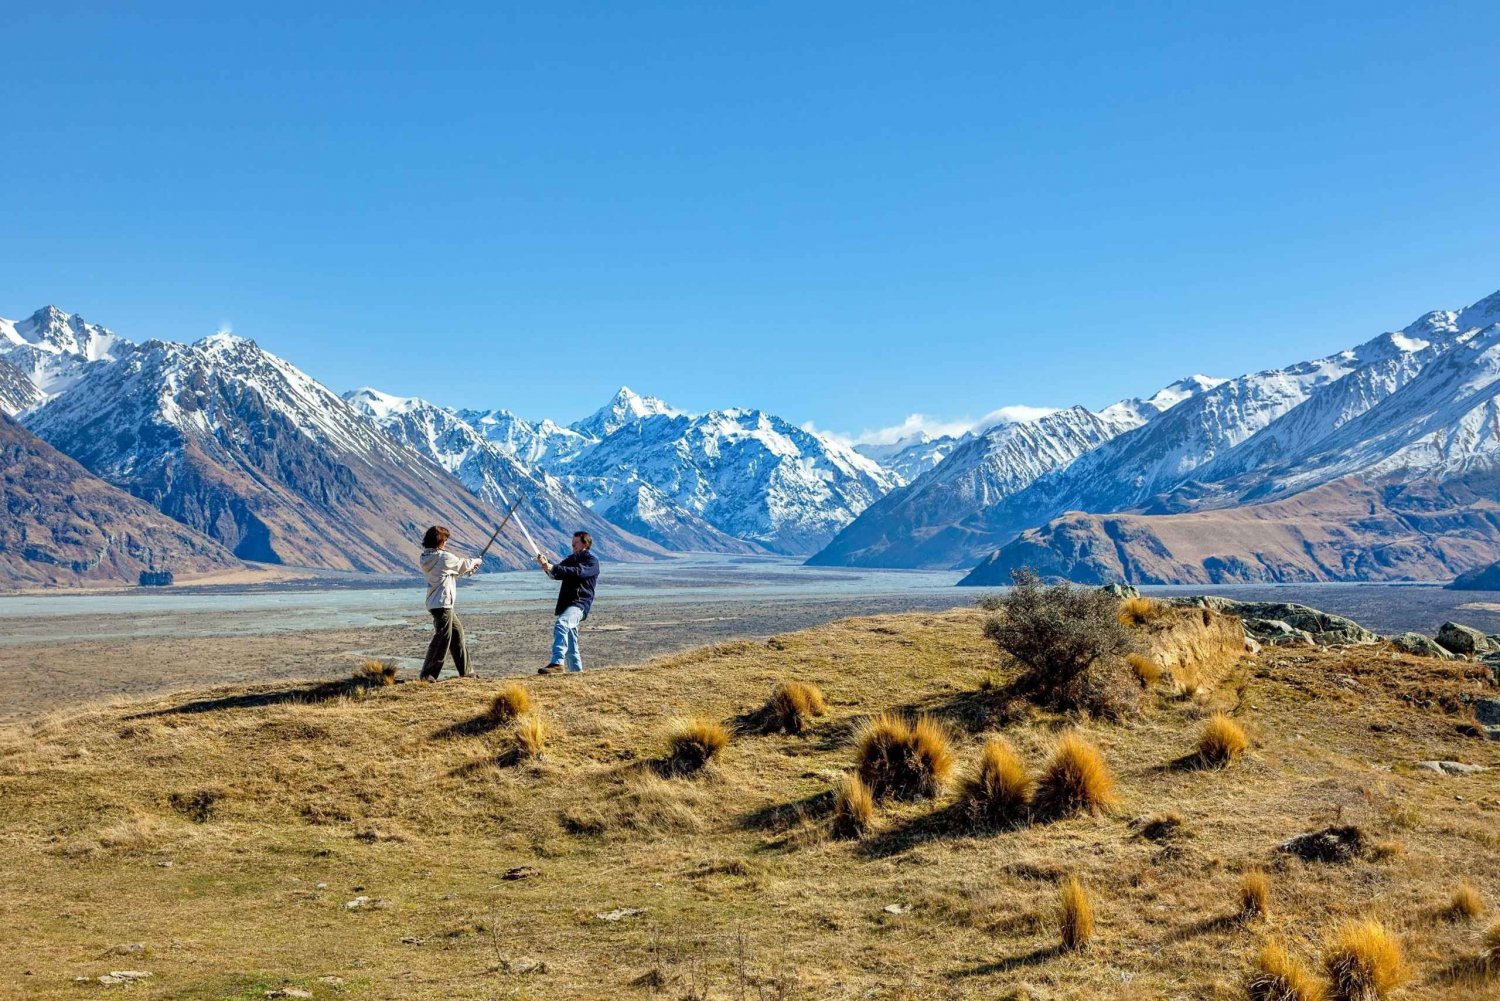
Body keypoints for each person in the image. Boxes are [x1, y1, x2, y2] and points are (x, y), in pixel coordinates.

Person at [419, 525, 481, 681]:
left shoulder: (427, 557)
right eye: (445, 540)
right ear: (440, 541)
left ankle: (466, 672)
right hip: (443, 604)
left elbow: (451, 572)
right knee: (442, 638)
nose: (446, 543)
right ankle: (428, 675)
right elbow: (462, 565)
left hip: (436, 603)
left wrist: (469, 567)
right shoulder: (443, 558)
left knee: (456, 633)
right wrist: (476, 561)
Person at [536, 531, 599, 674]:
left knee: (562, 623)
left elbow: (578, 572)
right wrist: (546, 566)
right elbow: (556, 574)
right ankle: (577, 674)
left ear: (585, 544)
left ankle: (557, 663)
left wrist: (552, 567)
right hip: (567, 605)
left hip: (579, 604)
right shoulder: (571, 559)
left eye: (576, 542)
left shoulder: (592, 561)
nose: (572, 544)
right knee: (571, 645)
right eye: (572, 542)